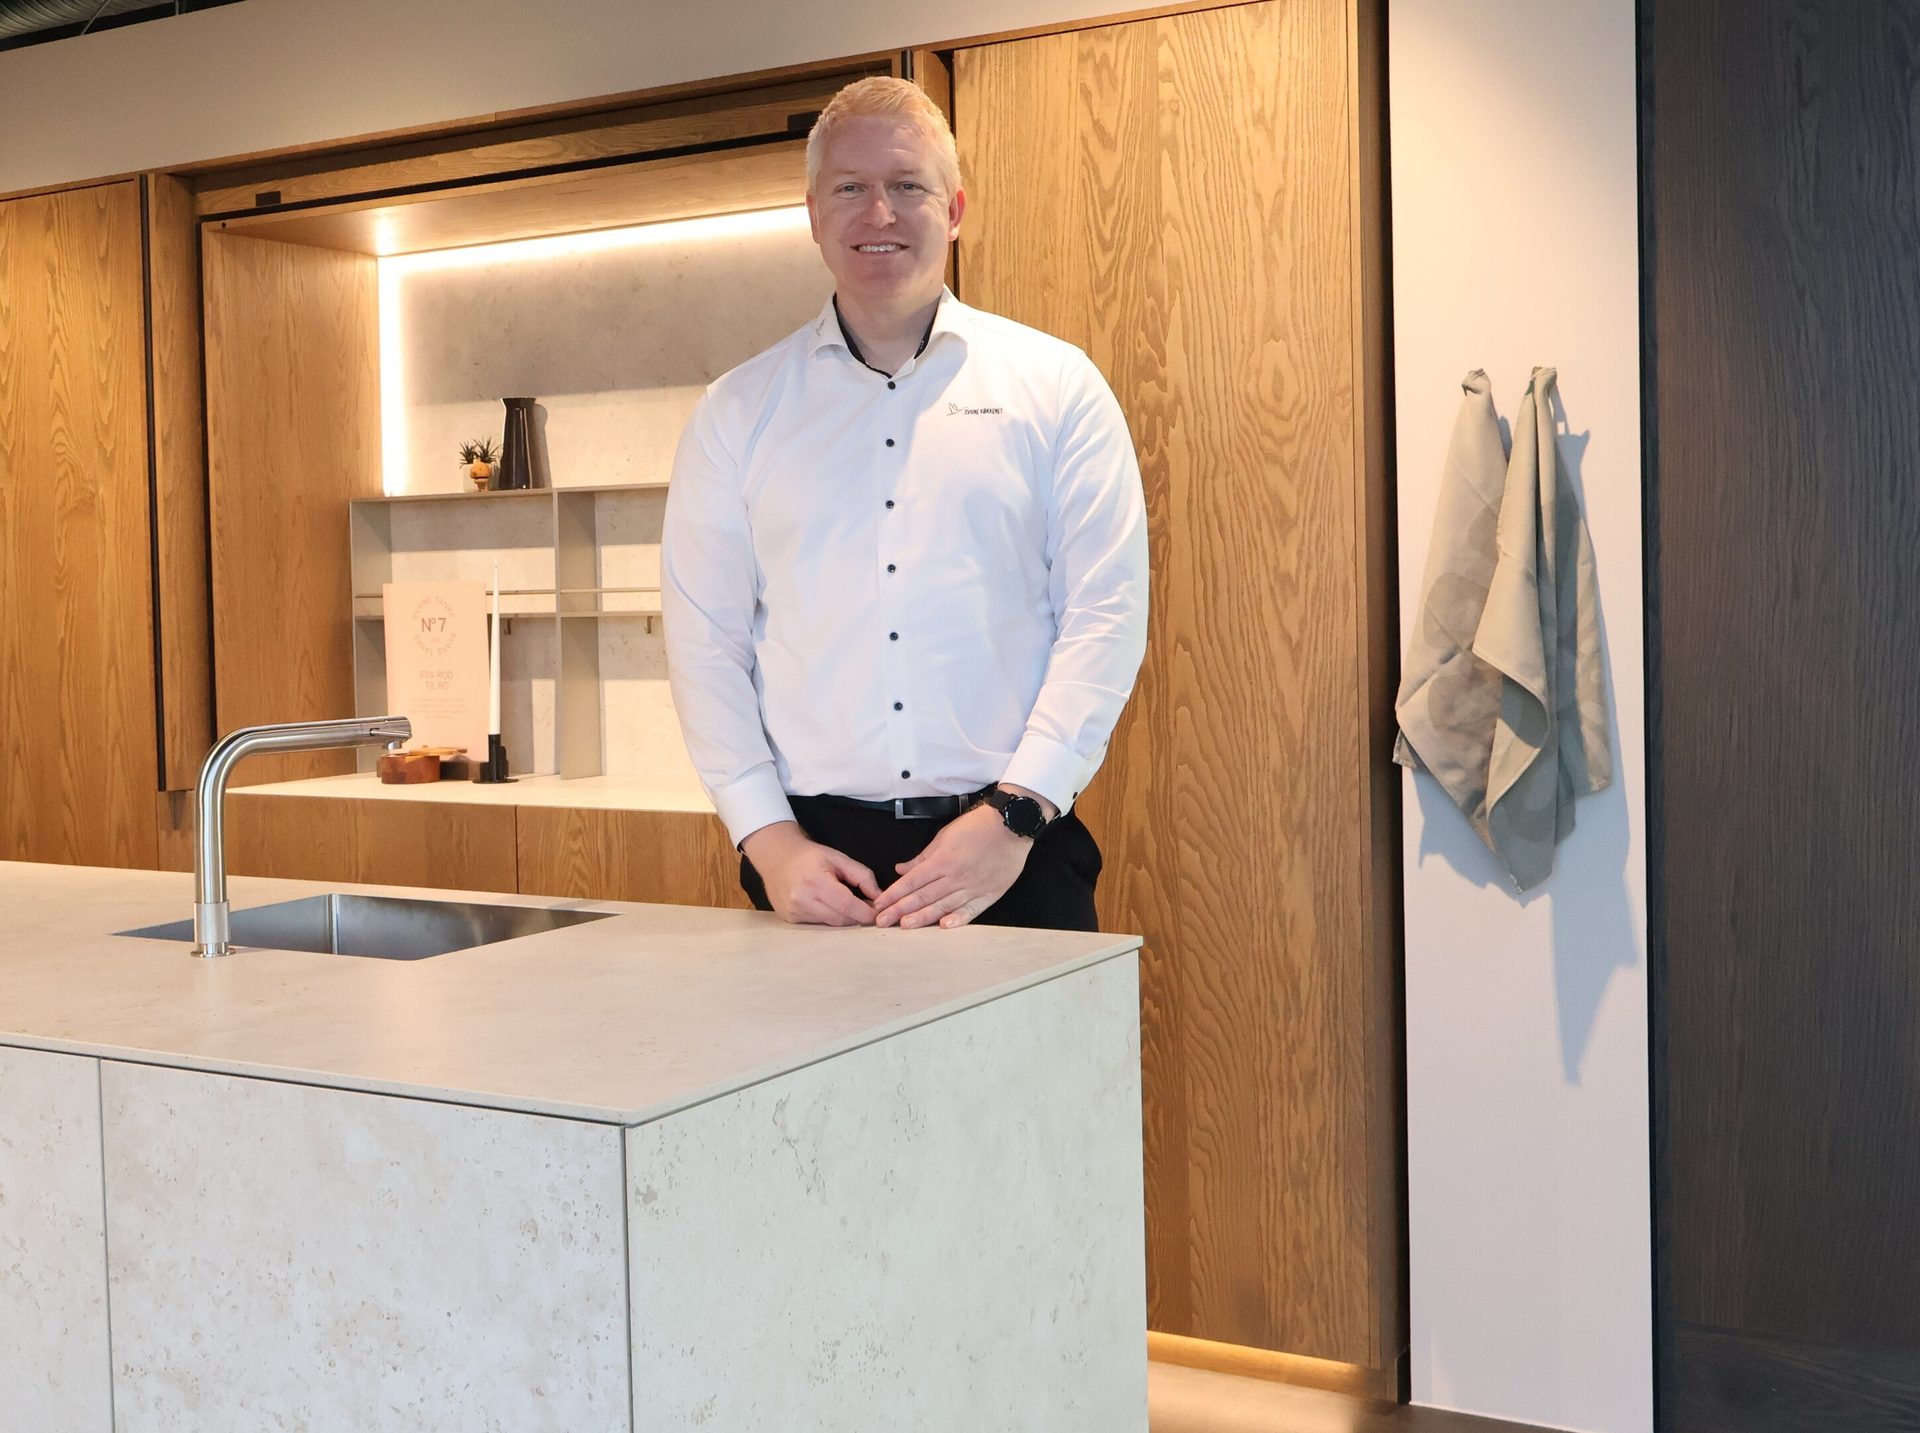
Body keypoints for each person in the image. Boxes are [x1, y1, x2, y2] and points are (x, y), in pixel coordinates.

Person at [661, 75, 1147, 932]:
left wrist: (1015, 817)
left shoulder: (1058, 388)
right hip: (814, 871)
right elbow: (706, 645)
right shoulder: (735, 413)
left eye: (906, 186)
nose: (877, 213)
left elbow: (1105, 618)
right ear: (814, 212)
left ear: (954, 209)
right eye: (850, 188)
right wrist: (769, 843)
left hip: (1014, 855)